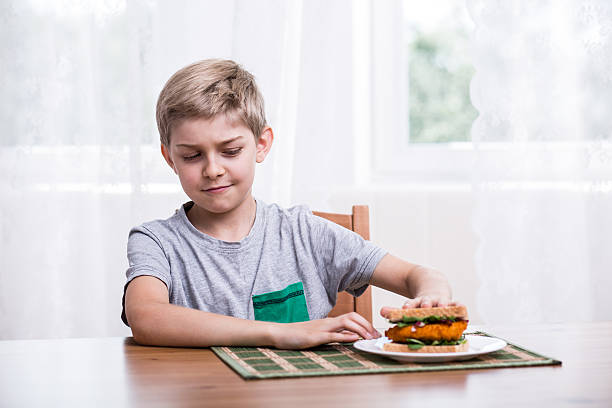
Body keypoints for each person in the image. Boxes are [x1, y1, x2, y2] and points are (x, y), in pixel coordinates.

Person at [121, 59, 458, 350]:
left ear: (262, 144)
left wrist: (431, 295)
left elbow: (421, 275)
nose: (213, 169)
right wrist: (279, 333)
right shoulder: (156, 242)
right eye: (192, 155)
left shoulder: (304, 233)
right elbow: (147, 318)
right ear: (170, 158)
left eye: (231, 151)